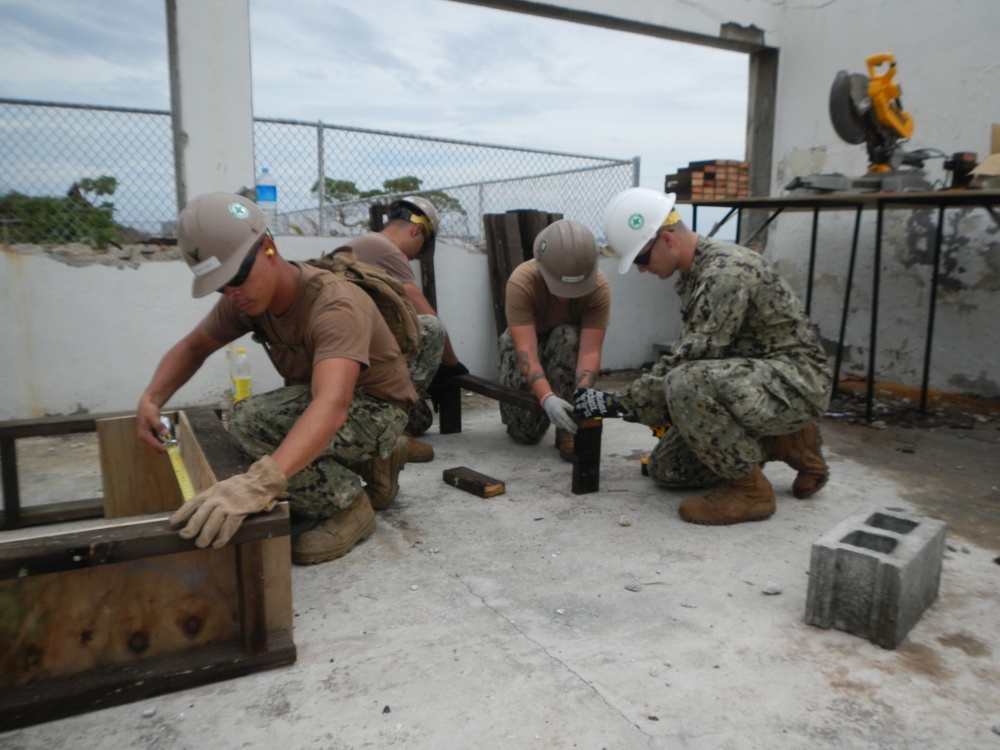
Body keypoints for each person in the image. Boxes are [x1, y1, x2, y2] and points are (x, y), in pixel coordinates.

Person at [136, 192, 417, 565]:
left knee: (250, 421)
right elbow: (194, 347)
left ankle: (348, 505)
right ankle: (370, 463)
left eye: (236, 276)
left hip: (377, 410)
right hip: (339, 407)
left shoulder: (333, 303)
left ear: (267, 247)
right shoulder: (247, 297)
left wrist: (259, 484)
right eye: (221, 286)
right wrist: (152, 399)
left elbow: (332, 406)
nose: (231, 293)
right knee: (256, 422)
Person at [576, 187, 831, 525]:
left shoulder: (724, 273)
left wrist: (618, 403)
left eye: (641, 258)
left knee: (686, 383)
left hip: (796, 383)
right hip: (759, 379)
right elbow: (697, 353)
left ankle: (751, 492)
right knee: (667, 469)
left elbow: (686, 364)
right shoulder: (698, 271)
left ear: (667, 240)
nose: (641, 269)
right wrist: (625, 403)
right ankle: (785, 442)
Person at [348, 196, 467, 462]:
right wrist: (451, 362)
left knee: (421, 418)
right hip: (359, 357)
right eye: (419, 249)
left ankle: (377, 421)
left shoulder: (362, 244)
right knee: (431, 328)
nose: (414, 258)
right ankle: (386, 433)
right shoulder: (385, 249)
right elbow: (422, 309)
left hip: (355, 353)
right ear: (416, 231)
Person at [498, 218, 611, 460]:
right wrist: (547, 399)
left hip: (565, 346)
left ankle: (567, 428)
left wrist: (581, 398)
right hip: (529, 342)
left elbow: (589, 352)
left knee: (569, 335)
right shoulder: (522, 282)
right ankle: (539, 410)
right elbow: (526, 350)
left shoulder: (598, 289)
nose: (565, 299)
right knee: (524, 433)